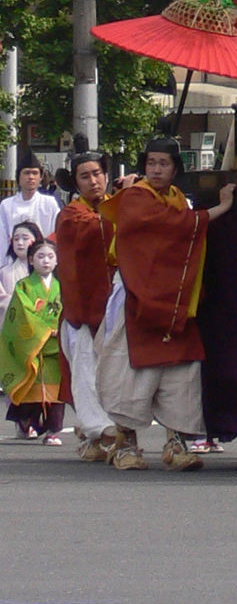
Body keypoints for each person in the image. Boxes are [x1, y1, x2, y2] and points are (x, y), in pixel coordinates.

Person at [95, 136, 236, 473]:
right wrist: (219, 210)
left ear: (176, 169)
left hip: (174, 295)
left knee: (180, 370)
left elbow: (179, 233)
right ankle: (126, 443)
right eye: (151, 163)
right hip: (136, 293)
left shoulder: (175, 199)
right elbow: (170, 227)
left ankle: (176, 443)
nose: (156, 170)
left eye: (164, 164)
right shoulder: (135, 198)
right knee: (131, 373)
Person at [54, 147, 119, 462]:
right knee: (86, 372)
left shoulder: (112, 207)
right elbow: (97, 230)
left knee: (114, 373)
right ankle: (101, 430)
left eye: (97, 173)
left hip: (114, 309)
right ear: (75, 183)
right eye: (85, 176)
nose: (94, 180)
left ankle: (97, 436)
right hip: (82, 312)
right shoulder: (71, 216)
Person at [0, 237, 64, 443]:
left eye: (50, 256)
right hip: (33, 344)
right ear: (30, 260)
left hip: (55, 345)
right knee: (31, 388)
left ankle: (53, 430)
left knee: (56, 390)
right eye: (40, 256)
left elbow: (68, 309)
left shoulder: (61, 286)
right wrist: (44, 330)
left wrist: (59, 329)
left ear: (57, 261)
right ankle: (27, 423)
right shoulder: (24, 286)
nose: (46, 261)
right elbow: (22, 312)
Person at [0, 149, 60, 264]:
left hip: (43, 261)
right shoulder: (7, 205)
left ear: (41, 177)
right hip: (13, 262)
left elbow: (56, 233)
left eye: (35, 173)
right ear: (19, 176)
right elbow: (2, 238)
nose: (31, 177)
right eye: (27, 173)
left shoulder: (49, 203)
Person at [0, 221, 41, 326]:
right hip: (12, 326)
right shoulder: (4, 273)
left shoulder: (46, 272)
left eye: (25, 238)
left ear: (36, 240)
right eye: (16, 239)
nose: (20, 243)